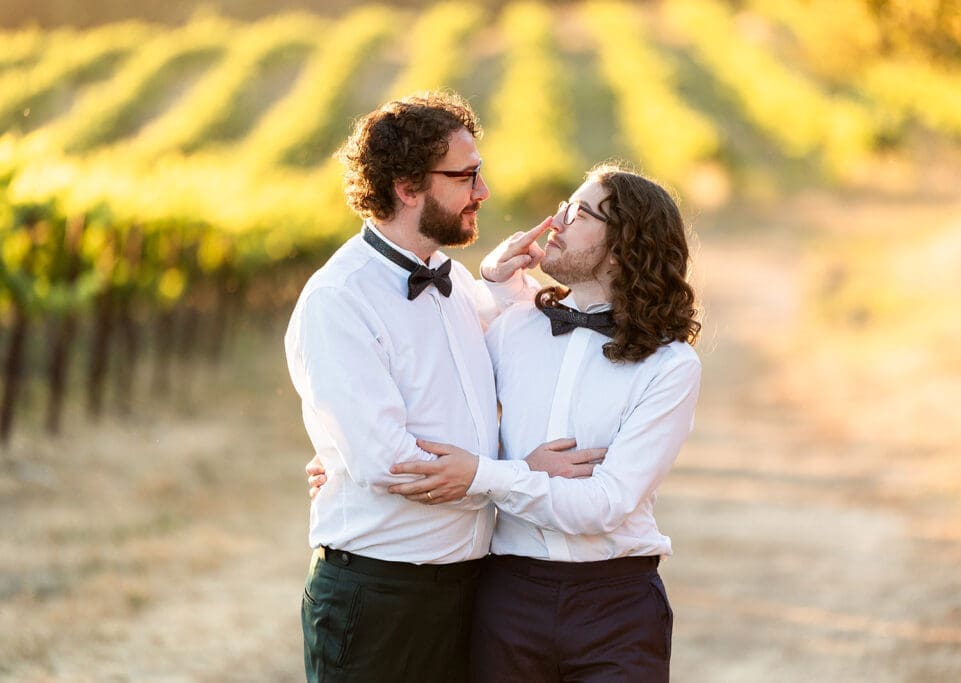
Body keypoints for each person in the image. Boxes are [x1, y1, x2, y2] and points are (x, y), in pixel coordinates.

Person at [285, 91, 603, 683]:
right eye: (466, 176)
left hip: (471, 588)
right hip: (383, 595)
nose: (483, 192)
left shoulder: (454, 280)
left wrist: (499, 281)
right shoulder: (339, 300)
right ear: (407, 187)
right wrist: (520, 476)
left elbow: (511, 374)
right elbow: (390, 463)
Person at [382, 163, 702, 681]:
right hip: (505, 598)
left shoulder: (670, 366)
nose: (555, 221)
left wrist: (488, 476)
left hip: (617, 609)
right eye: (562, 205)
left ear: (623, 247)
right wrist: (340, 456)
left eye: (578, 213)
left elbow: (605, 506)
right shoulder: (513, 329)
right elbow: (433, 404)